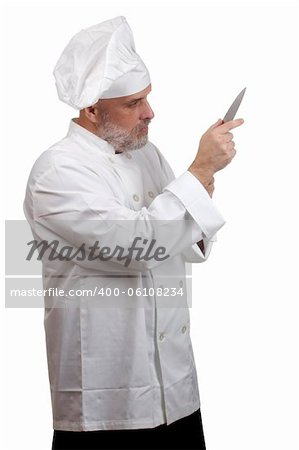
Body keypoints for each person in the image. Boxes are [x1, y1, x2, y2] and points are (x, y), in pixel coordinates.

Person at [23, 16, 244, 450]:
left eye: (147, 98)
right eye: (133, 102)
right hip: (105, 407)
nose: (150, 112)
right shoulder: (57, 171)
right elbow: (138, 247)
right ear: (91, 109)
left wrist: (197, 189)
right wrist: (198, 174)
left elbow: (186, 243)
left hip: (177, 392)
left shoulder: (146, 154)